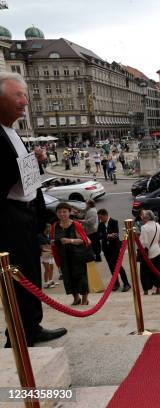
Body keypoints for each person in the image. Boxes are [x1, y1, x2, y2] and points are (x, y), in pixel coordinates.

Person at [0, 72, 67, 347]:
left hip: (25, 213)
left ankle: (32, 326)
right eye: (18, 95)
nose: (24, 101)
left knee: (31, 273)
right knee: (18, 276)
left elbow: (29, 181)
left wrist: (43, 215)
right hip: (8, 217)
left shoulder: (12, 131)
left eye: (25, 95)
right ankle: (17, 334)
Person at [51, 203, 90, 306]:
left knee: (81, 278)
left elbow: (84, 241)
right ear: (56, 214)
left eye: (64, 211)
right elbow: (53, 242)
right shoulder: (55, 226)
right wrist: (53, 243)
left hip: (77, 257)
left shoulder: (76, 224)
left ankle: (85, 299)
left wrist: (70, 240)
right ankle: (76, 298)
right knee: (68, 278)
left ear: (69, 212)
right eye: (59, 212)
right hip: (64, 257)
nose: (62, 214)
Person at [97, 209, 131, 292]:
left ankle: (126, 283)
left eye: (101, 217)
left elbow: (115, 234)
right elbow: (99, 235)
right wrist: (108, 235)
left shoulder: (114, 222)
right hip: (106, 249)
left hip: (114, 248)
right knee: (111, 267)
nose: (100, 219)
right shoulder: (100, 224)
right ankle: (116, 283)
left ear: (105, 215)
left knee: (118, 266)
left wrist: (106, 236)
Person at [139, 210, 160, 295]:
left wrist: (144, 250)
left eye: (144, 216)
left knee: (144, 273)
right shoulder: (157, 225)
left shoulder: (144, 227)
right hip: (156, 251)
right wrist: (159, 240)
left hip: (146, 254)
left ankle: (146, 291)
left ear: (147, 217)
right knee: (156, 271)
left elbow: (144, 243)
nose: (143, 217)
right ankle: (158, 289)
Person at [39, 224, 56, 288]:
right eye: (49, 228)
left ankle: (50, 281)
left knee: (51, 268)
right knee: (47, 269)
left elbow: (51, 244)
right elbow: (41, 247)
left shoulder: (49, 235)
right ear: (46, 228)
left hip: (50, 254)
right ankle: (46, 284)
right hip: (44, 254)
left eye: (51, 228)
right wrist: (49, 250)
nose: (50, 229)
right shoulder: (40, 236)